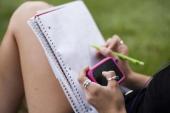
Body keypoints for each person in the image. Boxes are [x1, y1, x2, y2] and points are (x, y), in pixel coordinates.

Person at [0, 1, 169, 113]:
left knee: (25, 18)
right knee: (32, 10)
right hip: (129, 99)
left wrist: (112, 109)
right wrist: (131, 77)